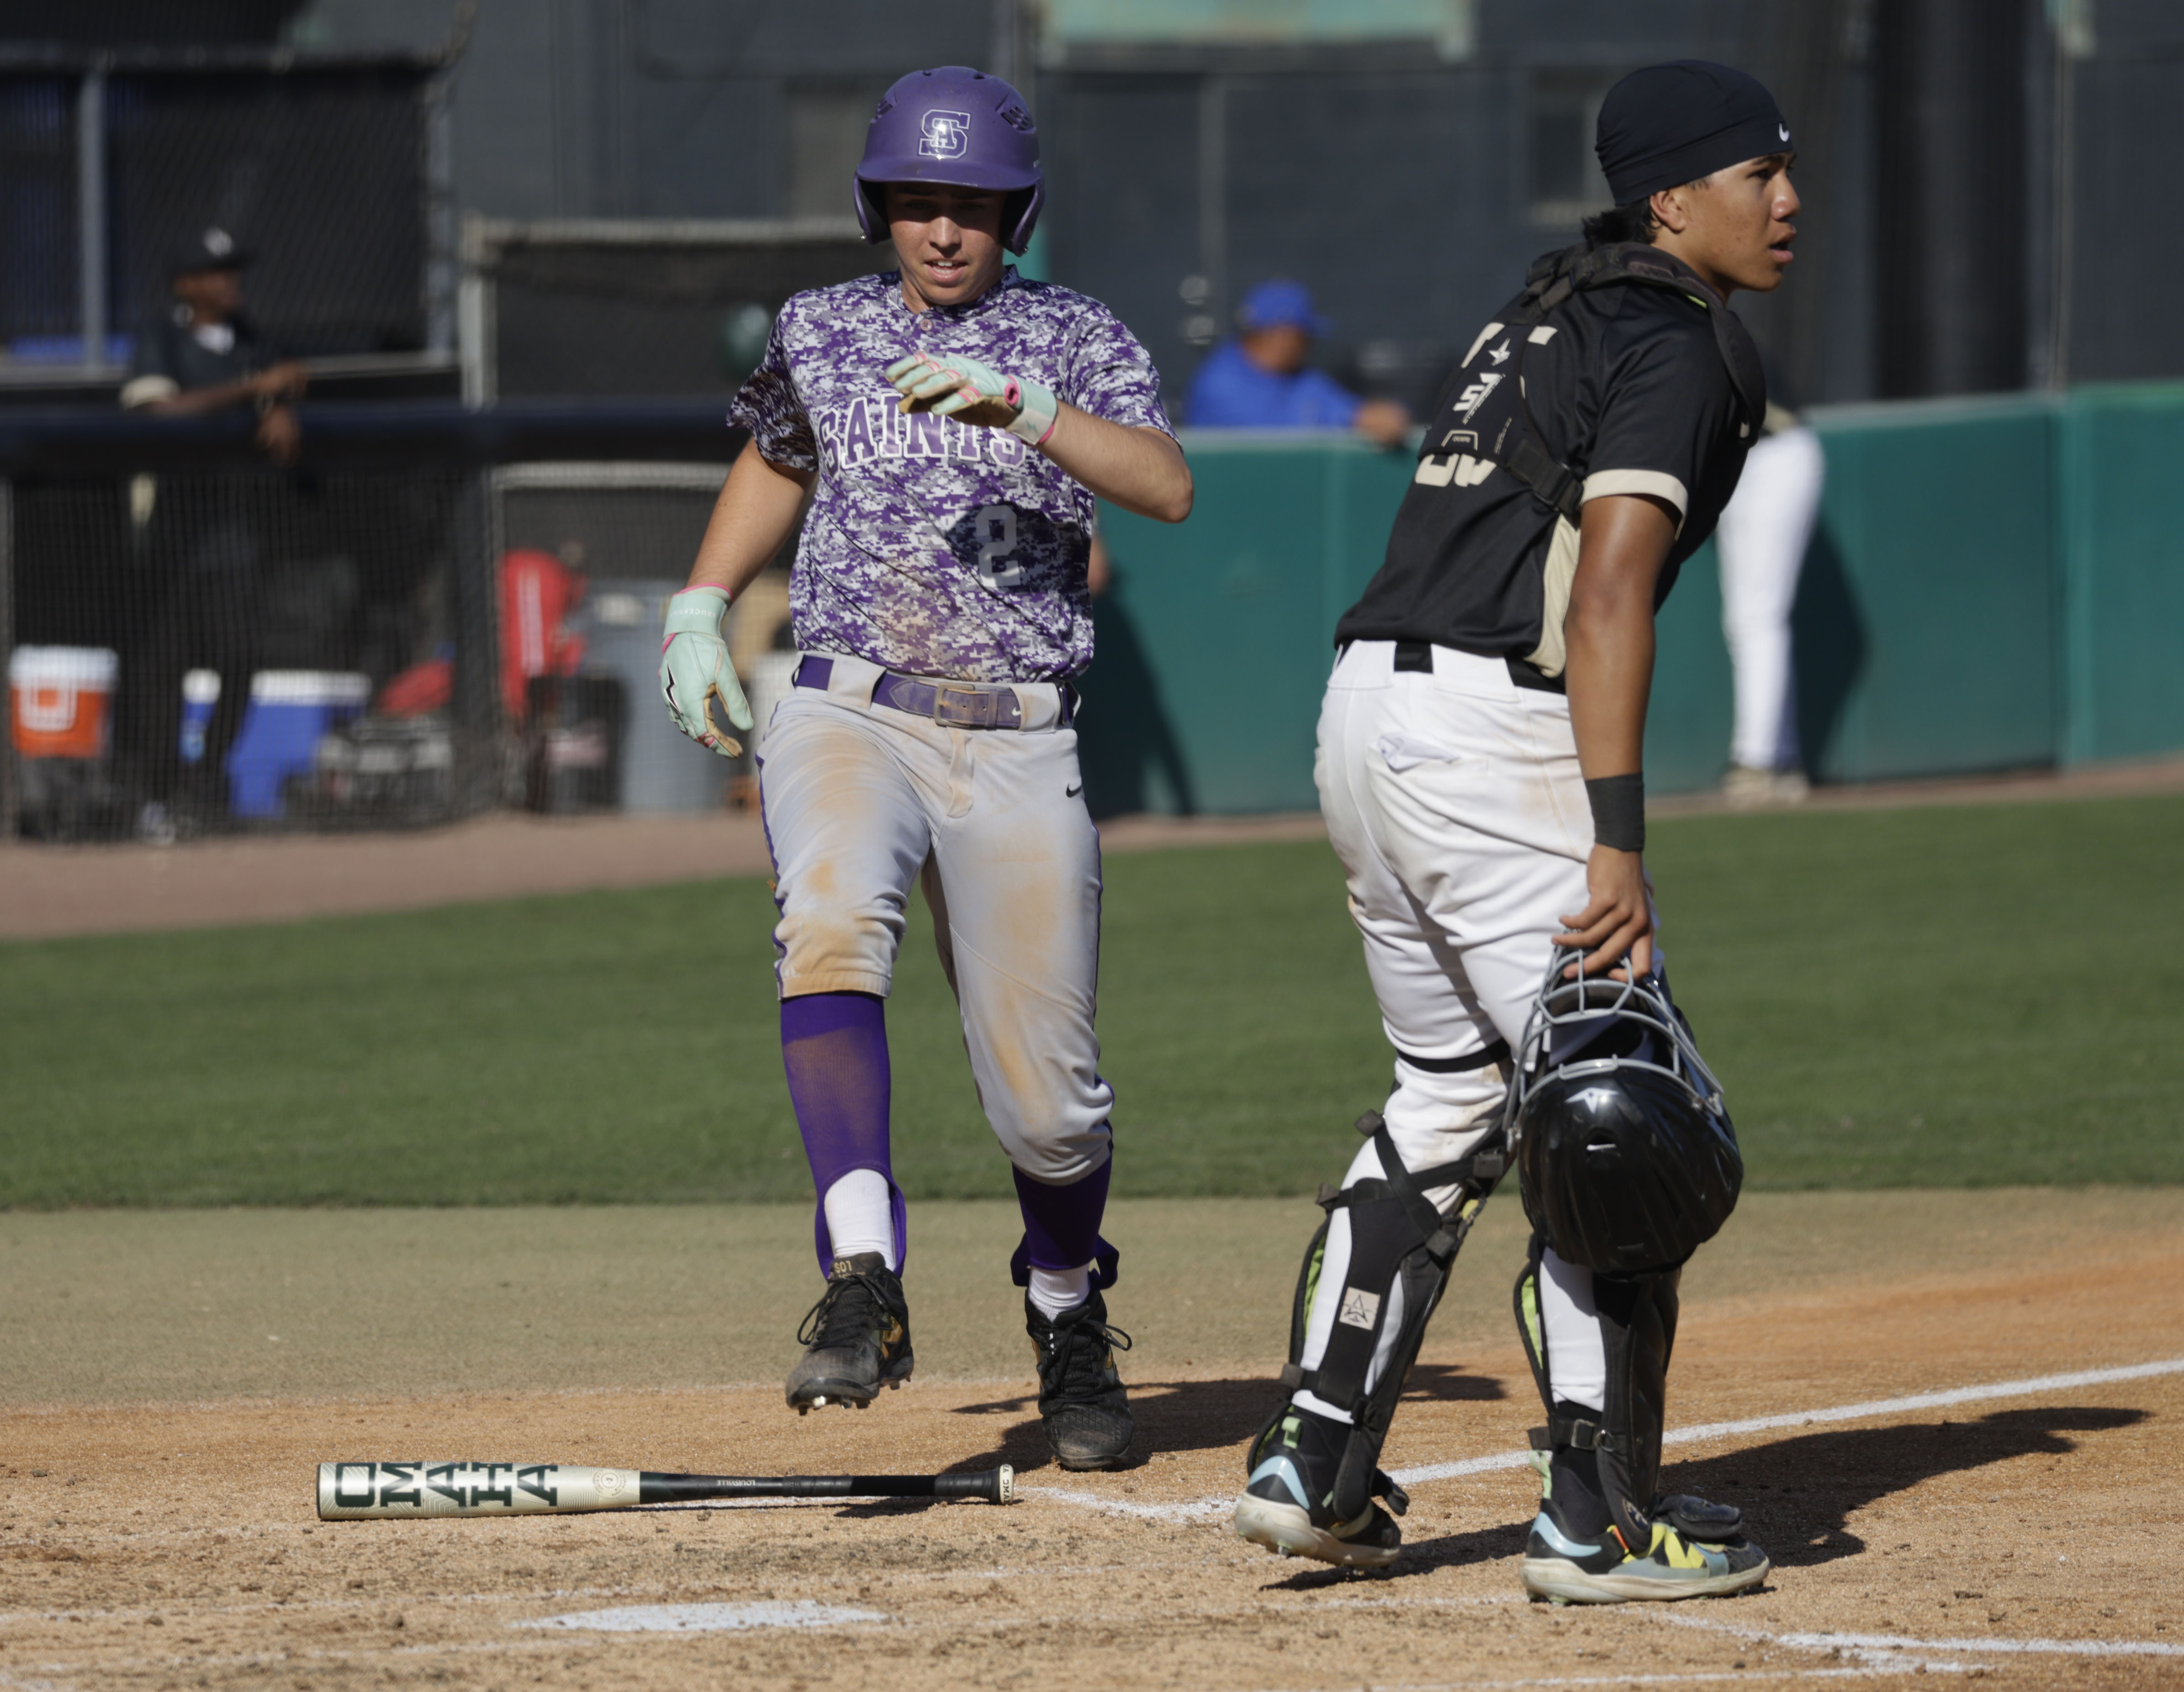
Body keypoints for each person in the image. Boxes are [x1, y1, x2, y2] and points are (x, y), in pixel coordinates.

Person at [1231, 60, 1799, 1601]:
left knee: (1450, 1096)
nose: (1789, 199)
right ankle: (1599, 1519)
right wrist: (1616, 837)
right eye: (1758, 174)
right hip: (1493, 738)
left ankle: (1313, 1457)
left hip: (1368, 714)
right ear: (1675, 200)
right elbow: (1609, 594)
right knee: (1618, 1122)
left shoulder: (1541, 309)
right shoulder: (1675, 339)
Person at [658, 66, 1192, 1471]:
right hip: (850, 702)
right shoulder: (824, 327)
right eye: (915, 202)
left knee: (1049, 1098)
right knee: (829, 922)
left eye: (967, 205)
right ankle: (862, 1276)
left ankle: (1067, 1305)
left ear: (1015, 211)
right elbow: (780, 456)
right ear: (879, 207)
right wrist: (699, 601)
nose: (941, 229)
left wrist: (1025, 409)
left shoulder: (1072, 334)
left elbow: (1164, 484)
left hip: (1018, 725)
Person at [114, 226, 310, 830]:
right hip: (167, 536)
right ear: (186, 284)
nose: (230, 282)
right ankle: (155, 796)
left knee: (242, 656)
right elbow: (158, 412)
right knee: (160, 670)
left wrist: (281, 406)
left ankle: (208, 779)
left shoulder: (250, 338)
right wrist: (257, 389)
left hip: (229, 536)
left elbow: (280, 385)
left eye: (234, 270)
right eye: (215, 272)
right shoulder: (162, 336)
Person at [1716, 374, 1824, 806]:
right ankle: (1779, 759)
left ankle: (1757, 763)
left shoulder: (1696, 315)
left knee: (1758, 616)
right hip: (1737, 462)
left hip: (1774, 452)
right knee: (1746, 619)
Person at [1185, 280, 1411, 447]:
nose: (1309, 344)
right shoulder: (1219, 383)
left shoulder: (1299, 377)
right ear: (1281, 335)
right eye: (1304, 336)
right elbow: (1274, 441)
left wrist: (1373, 416)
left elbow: (1353, 412)